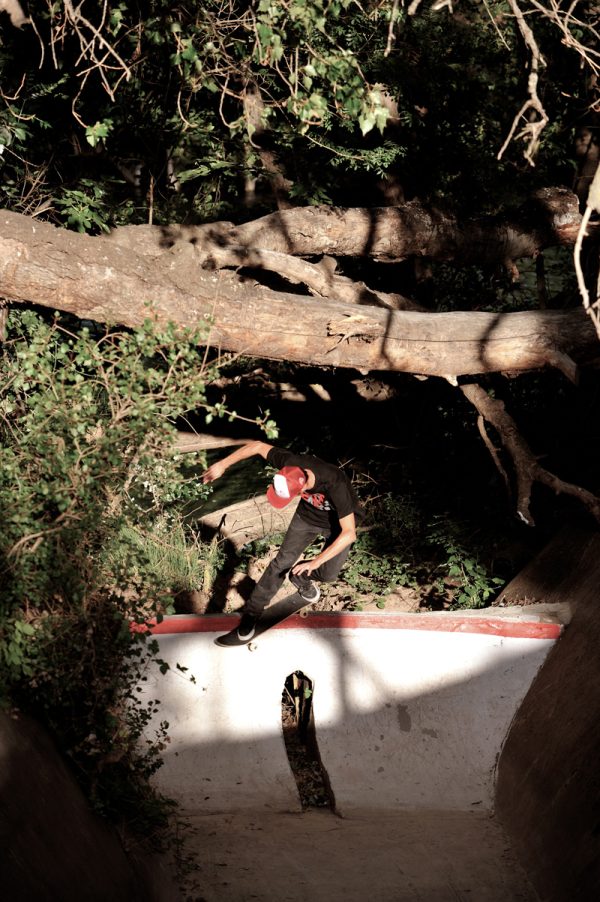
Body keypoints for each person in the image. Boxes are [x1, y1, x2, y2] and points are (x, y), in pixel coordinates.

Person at [202, 441, 361, 641]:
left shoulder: (333, 481)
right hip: (307, 517)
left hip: (339, 525)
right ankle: (251, 615)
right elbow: (256, 446)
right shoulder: (290, 463)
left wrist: (314, 562)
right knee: (281, 563)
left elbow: (349, 533)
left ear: (303, 484)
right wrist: (223, 464)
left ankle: (302, 578)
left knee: (328, 574)